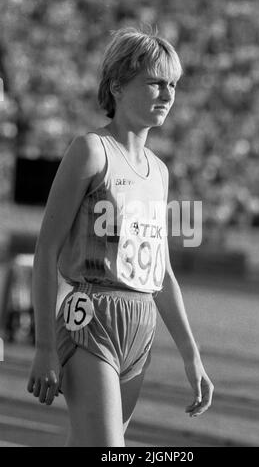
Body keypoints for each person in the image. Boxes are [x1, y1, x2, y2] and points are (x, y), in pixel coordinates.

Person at [27, 27, 214, 447]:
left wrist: (191, 355)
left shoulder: (160, 171)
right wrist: (43, 347)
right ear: (117, 85)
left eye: (173, 85)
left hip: (140, 327)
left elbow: (161, 274)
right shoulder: (91, 150)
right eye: (154, 82)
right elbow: (46, 250)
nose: (167, 94)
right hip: (91, 317)